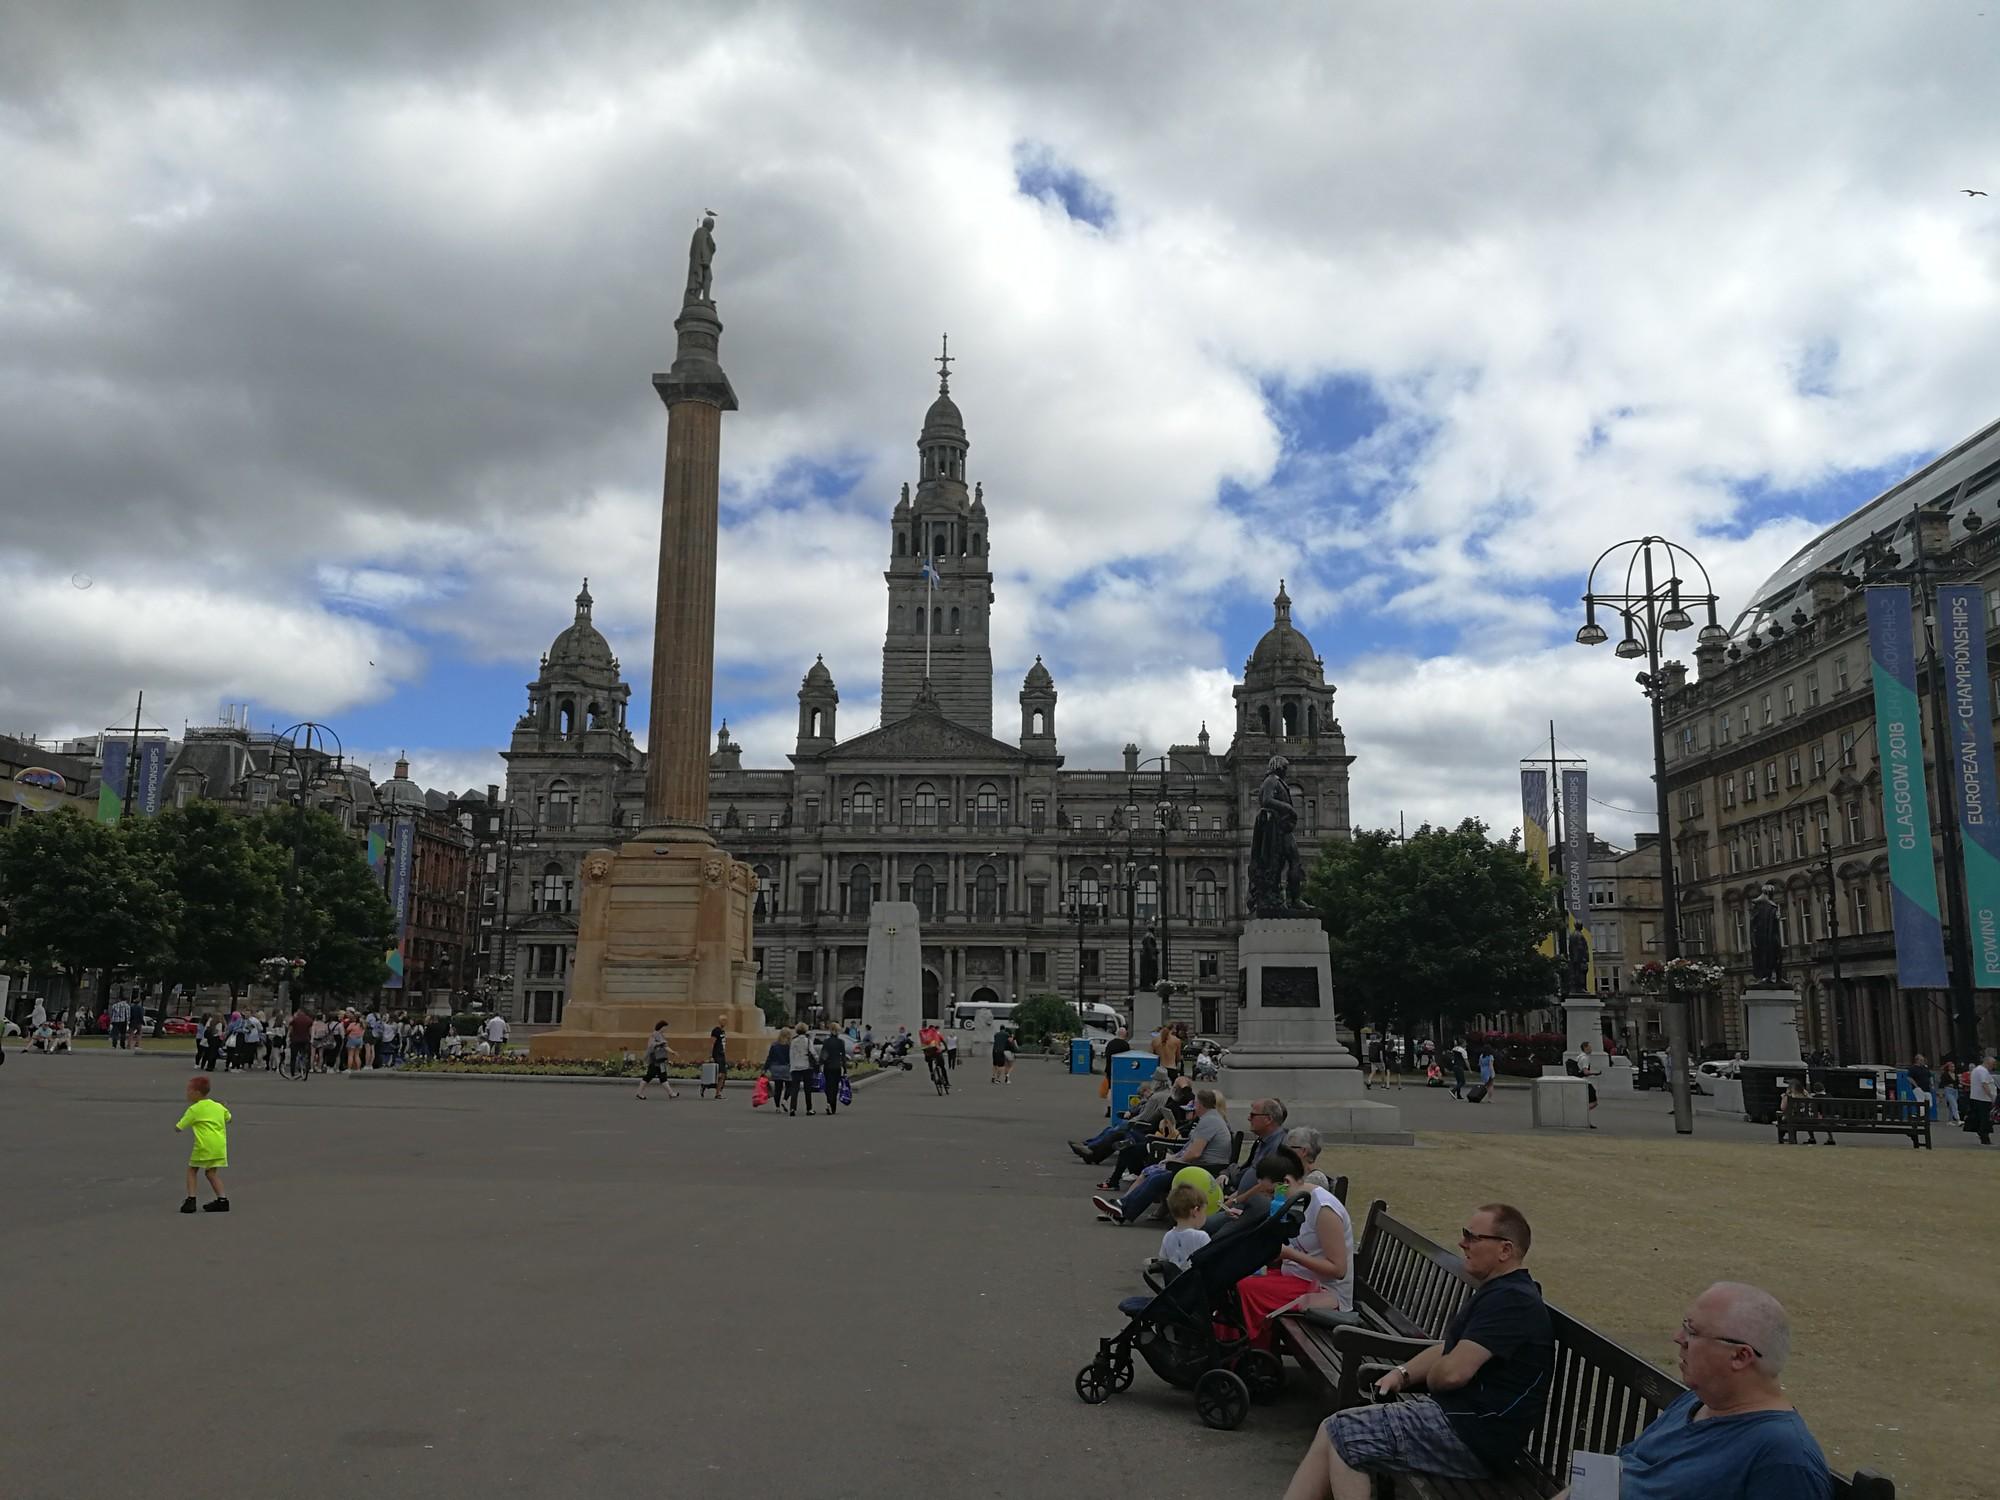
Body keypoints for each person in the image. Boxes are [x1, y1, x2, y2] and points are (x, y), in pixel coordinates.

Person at [1283, 1203, 1552, 1499]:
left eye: (1473, 1237)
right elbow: (1449, 1350)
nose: (1463, 1242)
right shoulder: (1505, 1293)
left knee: (1345, 1436)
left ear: (1505, 1250)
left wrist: (1437, 1375)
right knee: (1332, 1429)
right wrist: (1402, 1373)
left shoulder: (1512, 1301)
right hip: (1462, 1424)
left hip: (1473, 1437)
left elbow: (1450, 1375)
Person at [1565, 1283, 1831, 1499]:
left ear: (1740, 1356)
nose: (1678, 1337)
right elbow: (1620, 1469)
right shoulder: (1696, 1401)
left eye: (1692, 1331)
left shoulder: (1784, 1458)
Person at [1234, 1146, 1354, 1343]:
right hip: (1297, 1277)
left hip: (1325, 1292)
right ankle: (1246, 1350)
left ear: (1286, 1182)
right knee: (1237, 1274)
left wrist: (1290, 1254)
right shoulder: (1296, 1201)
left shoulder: (1325, 1210)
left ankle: (1256, 1351)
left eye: (1271, 1192)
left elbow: (1338, 1269)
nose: (1271, 1199)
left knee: (1247, 1288)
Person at [1093, 1088, 1232, 1224]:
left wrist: (1173, 1160)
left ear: (1200, 1104)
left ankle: (1123, 1211)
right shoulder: (1211, 1118)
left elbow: (1195, 1153)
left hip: (1204, 1170)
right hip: (1199, 1166)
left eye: (1195, 1103)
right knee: (1149, 1173)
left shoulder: (1209, 1121)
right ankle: (1120, 1206)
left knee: (1157, 1179)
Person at [1203, 1097, 1290, 1234]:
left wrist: (1236, 1199)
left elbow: (1266, 1185)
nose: (1249, 1118)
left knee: (1204, 1225)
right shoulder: (1263, 1142)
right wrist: (1234, 1195)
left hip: (1251, 1211)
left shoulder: (1280, 1146)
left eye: (1253, 1115)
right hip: (1240, 1203)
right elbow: (1249, 1173)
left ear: (1268, 1119)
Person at [175, 1074, 232, 1214]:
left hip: (204, 1144)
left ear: (196, 1093)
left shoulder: (194, 1109)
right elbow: (228, 1118)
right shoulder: (218, 1106)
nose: (187, 1094)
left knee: (192, 1170)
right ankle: (222, 1200)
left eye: (189, 1091)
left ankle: (191, 1200)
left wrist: (178, 1127)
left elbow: (179, 1127)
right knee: (211, 1172)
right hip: (219, 1145)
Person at [1157, 1183, 1212, 1272]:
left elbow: (1164, 1260)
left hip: (1174, 1281)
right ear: (1195, 1211)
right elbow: (1210, 1260)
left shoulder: (1168, 1235)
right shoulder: (1201, 1236)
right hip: (1195, 1282)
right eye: (1204, 1211)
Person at [637, 1021, 679, 1100]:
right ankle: (639, 1093)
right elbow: (651, 1045)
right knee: (649, 1076)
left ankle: (671, 1093)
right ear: (662, 1027)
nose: (666, 1029)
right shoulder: (654, 1035)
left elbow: (665, 1046)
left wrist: (673, 1052)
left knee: (663, 1077)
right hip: (655, 1061)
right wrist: (659, 1043)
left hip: (661, 1061)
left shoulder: (661, 1035)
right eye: (665, 1027)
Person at [1566, 1041, 1600, 1128]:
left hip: (1578, 1082)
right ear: (1585, 1048)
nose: (1591, 1049)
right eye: (1589, 1047)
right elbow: (1585, 1071)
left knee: (1585, 1102)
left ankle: (1585, 1119)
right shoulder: (1585, 1058)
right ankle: (1581, 1116)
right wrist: (1594, 1073)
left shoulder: (1579, 1057)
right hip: (1585, 1082)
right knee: (1594, 1102)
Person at [788, 1026, 817, 1116]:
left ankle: (792, 1108)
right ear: (805, 1031)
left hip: (795, 1067)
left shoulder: (793, 1041)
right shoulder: (808, 1041)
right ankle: (809, 1108)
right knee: (807, 1089)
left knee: (795, 1089)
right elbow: (813, 1053)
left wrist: (792, 1066)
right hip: (806, 1067)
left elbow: (791, 1054)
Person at [820, 1027, 849, 1116]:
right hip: (837, 1067)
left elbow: (823, 1055)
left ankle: (829, 1102)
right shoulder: (841, 1042)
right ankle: (833, 1107)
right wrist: (845, 1069)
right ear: (838, 1032)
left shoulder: (826, 1042)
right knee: (835, 1087)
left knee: (828, 1086)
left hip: (828, 1067)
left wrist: (821, 1064)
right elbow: (843, 1057)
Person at [1969, 1051, 1997, 1145]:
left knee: (1980, 1118)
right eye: (1992, 1064)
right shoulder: (1983, 1071)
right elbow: (1984, 1084)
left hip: (1976, 1098)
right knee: (1985, 1119)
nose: (1993, 1067)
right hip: (1983, 1099)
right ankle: (1985, 1138)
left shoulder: (1977, 1070)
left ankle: (1983, 1135)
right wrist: (1991, 1096)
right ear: (1988, 1063)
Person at [760, 1027, 791, 1108]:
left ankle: (777, 1107)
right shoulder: (790, 1046)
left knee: (778, 1088)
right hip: (786, 1068)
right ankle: (785, 1100)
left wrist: (765, 1069)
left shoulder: (774, 1045)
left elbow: (770, 1058)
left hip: (775, 1068)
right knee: (789, 1086)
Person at [703, 1015, 729, 1098]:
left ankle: (717, 1093)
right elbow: (712, 1043)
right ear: (719, 1021)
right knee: (720, 1074)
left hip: (722, 1054)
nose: (725, 1022)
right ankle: (708, 1086)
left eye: (725, 1020)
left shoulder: (722, 1031)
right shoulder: (716, 1030)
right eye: (723, 1020)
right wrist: (711, 1055)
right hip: (717, 1055)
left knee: (723, 1074)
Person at [919, 1022, 949, 1093]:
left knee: (929, 1061)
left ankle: (932, 1073)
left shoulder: (924, 1034)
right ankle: (947, 1082)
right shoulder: (937, 1033)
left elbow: (923, 1045)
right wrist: (945, 1049)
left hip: (928, 1053)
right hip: (937, 1052)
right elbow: (943, 1042)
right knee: (942, 1067)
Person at [287, 1006, 313, 1075]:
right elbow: (310, 1031)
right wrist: (310, 1038)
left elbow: (290, 1029)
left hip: (295, 1039)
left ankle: (292, 1071)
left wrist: (288, 1037)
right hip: (305, 1039)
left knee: (293, 1056)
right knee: (305, 1054)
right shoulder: (309, 1020)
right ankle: (305, 1067)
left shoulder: (295, 1020)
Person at [1938, 1056, 1962, 1123]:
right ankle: (1958, 1119)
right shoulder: (1945, 1074)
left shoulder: (1955, 1074)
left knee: (1952, 1106)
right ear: (1948, 1068)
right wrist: (1941, 1093)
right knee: (1954, 1104)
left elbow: (1957, 1083)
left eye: (1953, 1067)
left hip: (1955, 1090)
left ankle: (1950, 1120)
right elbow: (1942, 1083)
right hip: (1948, 1090)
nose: (1953, 1068)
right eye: (1951, 1067)